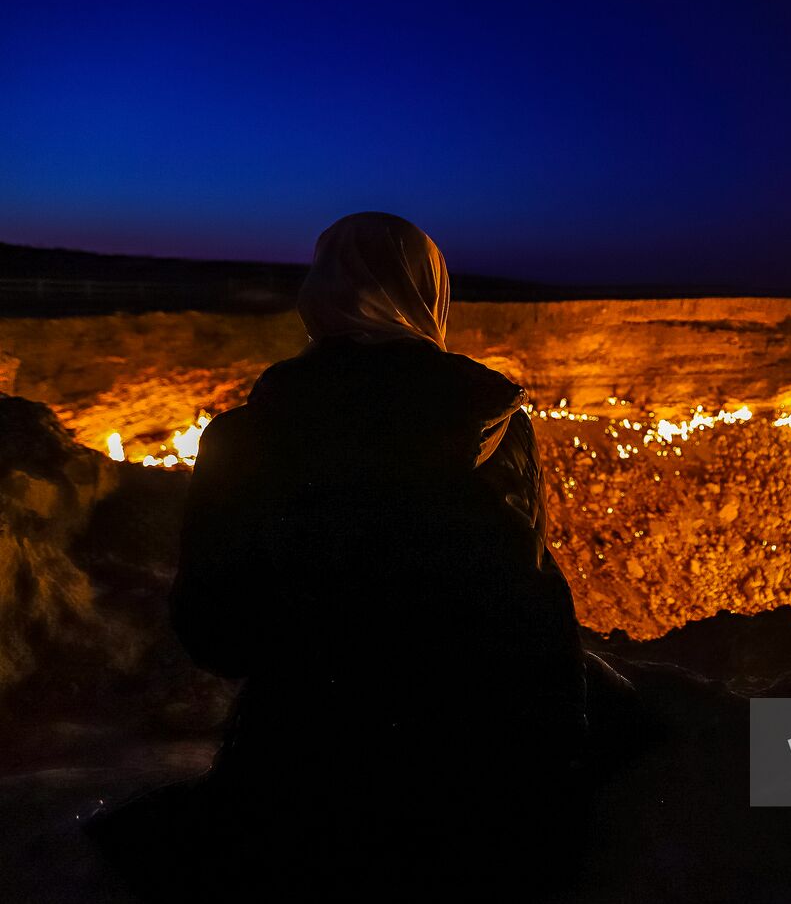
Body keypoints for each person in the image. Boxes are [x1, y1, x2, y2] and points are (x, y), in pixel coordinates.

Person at [90, 213, 588, 900]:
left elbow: (215, 633)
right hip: (474, 771)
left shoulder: (242, 440)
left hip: (305, 773)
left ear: (319, 293)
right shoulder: (498, 430)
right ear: (430, 296)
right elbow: (532, 607)